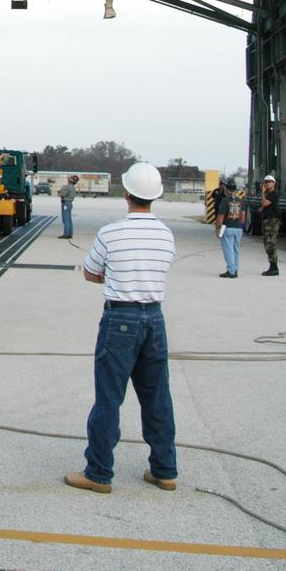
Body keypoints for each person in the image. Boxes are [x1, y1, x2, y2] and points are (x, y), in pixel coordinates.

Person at [65, 161, 176, 494]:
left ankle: (99, 472)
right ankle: (165, 469)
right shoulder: (166, 234)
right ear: (154, 196)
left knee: (109, 399)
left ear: (126, 193)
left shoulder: (111, 232)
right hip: (154, 319)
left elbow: (90, 272)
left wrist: (108, 275)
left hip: (120, 320)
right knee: (157, 397)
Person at [215, 178, 245, 278]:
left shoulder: (225, 200)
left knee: (228, 250)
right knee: (236, 250)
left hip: (227, 228)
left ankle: (231, 271)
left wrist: (218, 228)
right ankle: (235, 269)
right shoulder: (240, 200)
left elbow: (221, 216)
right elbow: (243, 215)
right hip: (238, 228)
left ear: (226, 189)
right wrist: (241, 226)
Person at [260, 173, 280, 276]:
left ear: (274, 183)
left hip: (272, 221)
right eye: (266, 182)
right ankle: (272, 266)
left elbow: (265, 203)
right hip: (266, 220)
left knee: (270, 243)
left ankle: (274, 268)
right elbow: (263, 206)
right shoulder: (268, 194)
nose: (267, 184)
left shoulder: (274, 194)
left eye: (269, 182)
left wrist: (263, 193)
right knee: (266, 243)